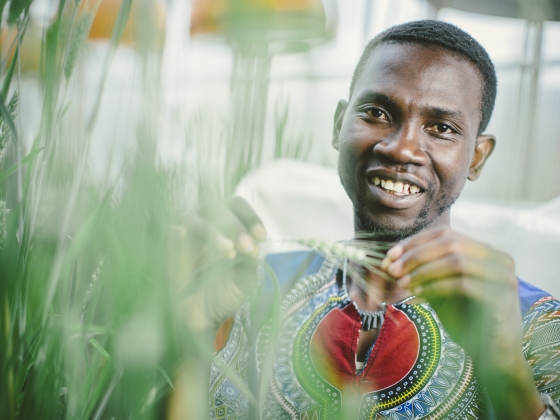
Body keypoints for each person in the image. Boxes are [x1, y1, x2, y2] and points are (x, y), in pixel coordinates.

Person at [199, 20, 560, 420]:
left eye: (441, 128)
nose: (402, 148)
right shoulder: (258, 288)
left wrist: (508, 373)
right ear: (340, 124)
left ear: (476, 157)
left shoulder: (536, 325)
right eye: (376, 112)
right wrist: (187, 328)